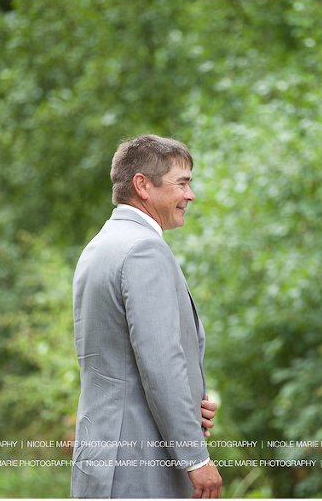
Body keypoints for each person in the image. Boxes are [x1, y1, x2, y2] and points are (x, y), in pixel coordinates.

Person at [70, 134, 222, 498]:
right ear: (142, 185)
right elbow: (161, 363)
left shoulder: (100, 245)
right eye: (182, 183)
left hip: (101, 456)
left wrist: (187, 407)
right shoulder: (144, 250)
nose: (191, 195)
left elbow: (117, 365)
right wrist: (195, 457)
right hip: (139, 461)